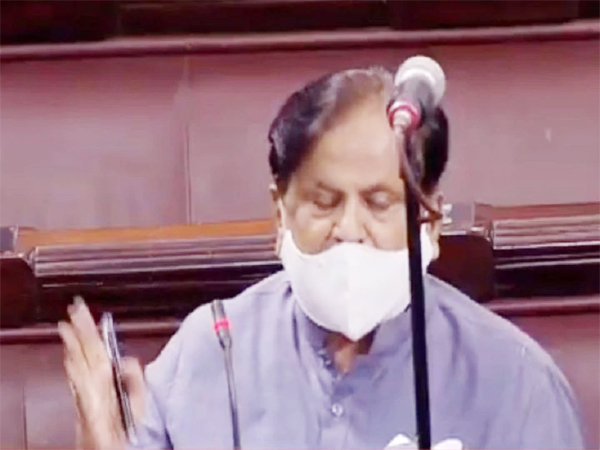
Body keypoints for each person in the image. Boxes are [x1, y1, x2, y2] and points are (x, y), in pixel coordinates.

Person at [59, 66, 584, 450]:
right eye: (325, 202)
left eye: (378, 203)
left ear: (429, 219)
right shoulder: (210, 355)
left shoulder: (515, 382)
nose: (349, 230)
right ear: (280, 211)